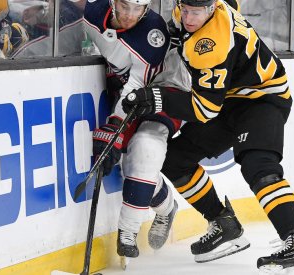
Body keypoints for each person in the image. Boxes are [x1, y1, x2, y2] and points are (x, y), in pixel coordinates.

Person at [122, 0, 294, 272]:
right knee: (176, 160)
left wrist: (156, 97)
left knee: (258, 166)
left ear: (212, 9)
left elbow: (204, 109)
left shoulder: (213, 43)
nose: (188, 18)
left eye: (196, 12)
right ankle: (223, 222)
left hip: (262, 99)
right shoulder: (194, 9)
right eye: (185, 10)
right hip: (228, 99)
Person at [84, 0, 188, 263]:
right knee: (131, 165)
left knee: (145, 148)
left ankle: (127, 232)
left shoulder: (154, 32)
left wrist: (115, 125)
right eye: (125, 6)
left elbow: (137, 84)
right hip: (127, 91)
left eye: (138, 9)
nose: (130, 15)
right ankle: (166, 208)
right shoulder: (94, 11)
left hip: (166, 90)